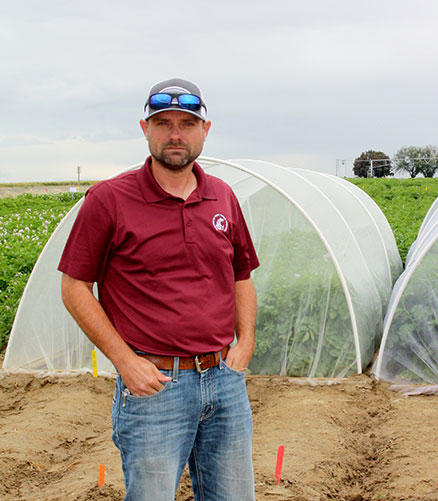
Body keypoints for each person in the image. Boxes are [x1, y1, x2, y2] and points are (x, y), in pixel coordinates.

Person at [59, 78, 259, 501]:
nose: (175, 134)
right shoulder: (109, 199)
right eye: (163, 123)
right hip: (154, 386)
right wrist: (124, 361)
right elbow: (75, 286)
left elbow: (242, 274)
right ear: (144, 129)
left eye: (187, 123)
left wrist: (245, 344)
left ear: (205, 131)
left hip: (224, 380)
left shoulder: (222, 197)